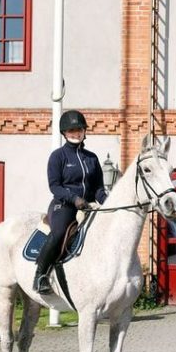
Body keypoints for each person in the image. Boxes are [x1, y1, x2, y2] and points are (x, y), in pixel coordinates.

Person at [33, 110, 108, 294]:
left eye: (79, 129)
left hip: (88, 205)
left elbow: (98, 188)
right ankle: (40, 276)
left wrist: (108, 202)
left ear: (84, 131)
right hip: (63, 205)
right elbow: (55, 186)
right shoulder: (58, 156)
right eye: (71, 130)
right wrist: (74, 199)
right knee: (58, 233)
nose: (76, 133)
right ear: (64, 133)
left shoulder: (92, 158)